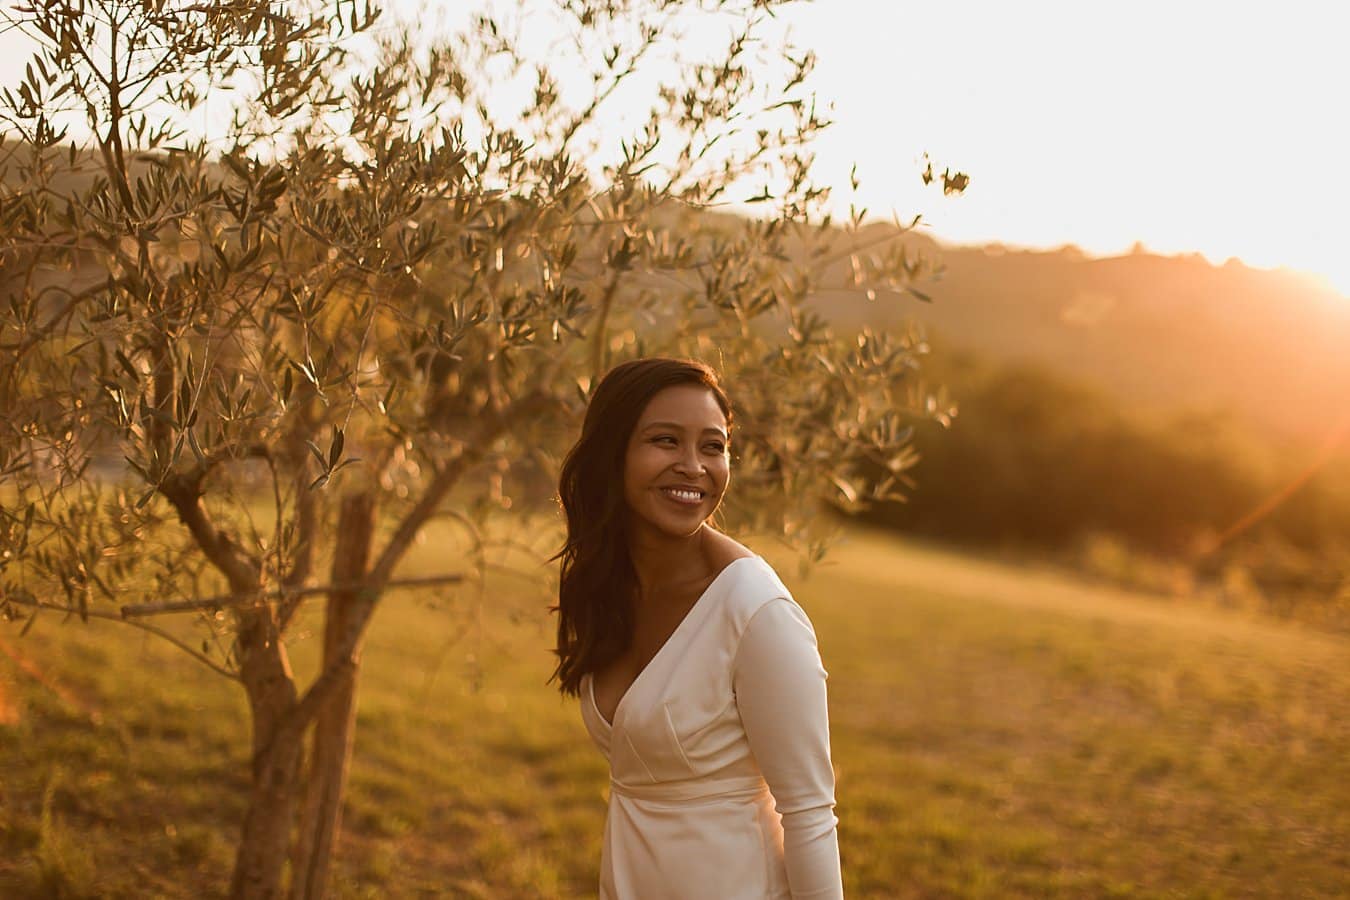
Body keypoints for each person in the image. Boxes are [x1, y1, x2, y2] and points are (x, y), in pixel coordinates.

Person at [551, 357, 844, 899]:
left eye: (713, 446)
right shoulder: (608, 584)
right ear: (613, 453)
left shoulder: (757, 614)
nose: (694, 466)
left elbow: (809, 816)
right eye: (666, 441)